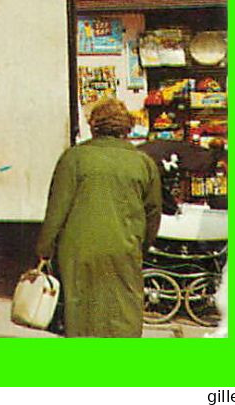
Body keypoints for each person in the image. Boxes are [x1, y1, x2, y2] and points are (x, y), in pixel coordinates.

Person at [35, 96, 163, 337]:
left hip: (77, 250)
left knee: (80, 310)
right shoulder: (143, 163)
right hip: (124, 248)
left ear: (94, 125)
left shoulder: (74, 157)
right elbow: (153, 212)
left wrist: (44, 248)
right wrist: (141, 246)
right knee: (122, 310)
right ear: (127, 127)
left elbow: (57, 209)